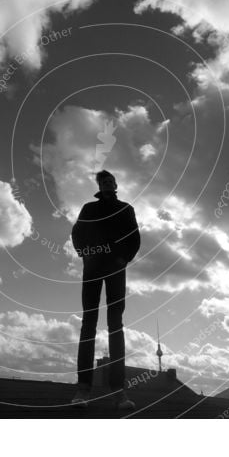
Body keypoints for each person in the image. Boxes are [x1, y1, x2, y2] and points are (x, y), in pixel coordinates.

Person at [70, 170, 140, 410]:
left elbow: (134, 237)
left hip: (116, 270)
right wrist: (86, 255)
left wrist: (123, 259)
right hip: (92, 269)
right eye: (103, 181)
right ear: (99, 186)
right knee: (88, 324)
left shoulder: (126, 208)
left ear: (116, 184)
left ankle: (119, 392)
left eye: (111, 181)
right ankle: (83, 390)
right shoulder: (89, 208)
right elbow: (77, 233)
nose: (108, 184)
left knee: (115, 326)